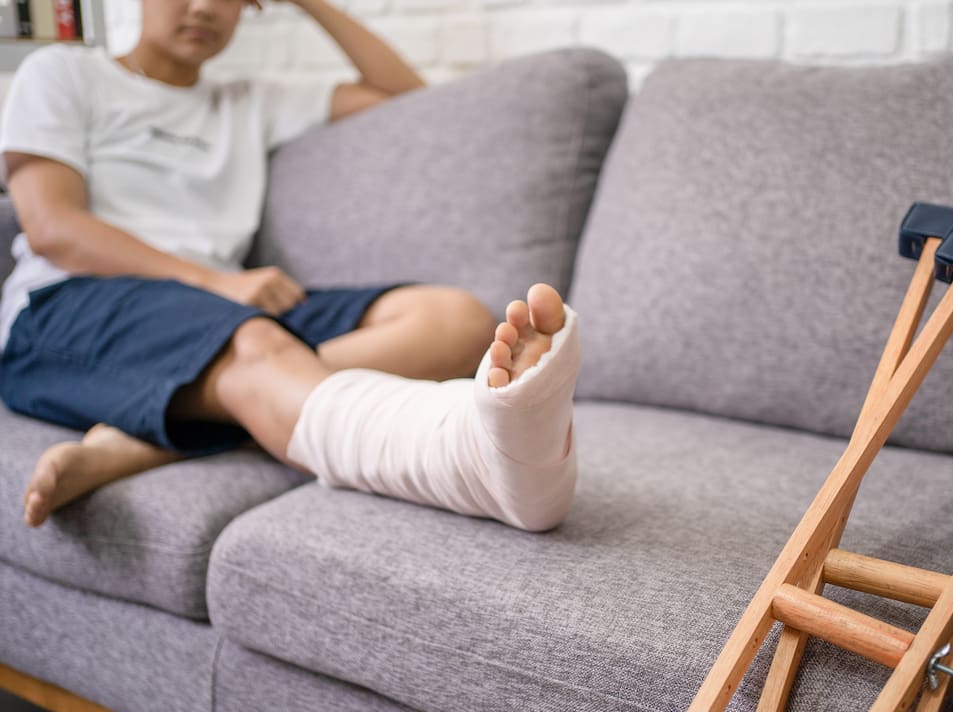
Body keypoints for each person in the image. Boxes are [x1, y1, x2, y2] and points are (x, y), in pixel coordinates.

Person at [0, 0, 580, 532]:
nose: (205, 8)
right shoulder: (63, 72)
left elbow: (415, 103)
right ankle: (486, 474)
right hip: (68, 308)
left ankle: (153, 436)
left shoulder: (250, 100)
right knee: (253, 341)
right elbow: (53, 227)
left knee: (451, 318)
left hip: (216, 310)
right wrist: (214, 281)